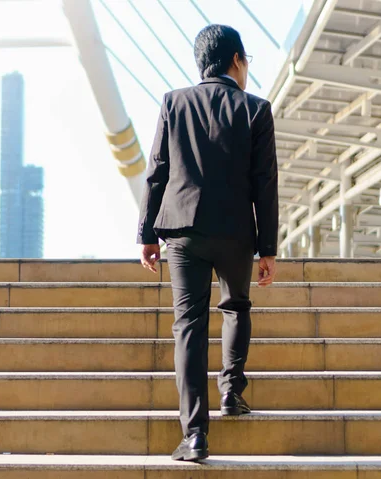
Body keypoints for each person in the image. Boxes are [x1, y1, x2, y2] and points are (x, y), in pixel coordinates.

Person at [136, 24, 279, 462]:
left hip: (181, 231)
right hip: (236, 231)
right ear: (236, 60)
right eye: (247, 60)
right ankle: (232, 393)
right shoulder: (256, 109)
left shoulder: (173, 102)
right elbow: (265, 184)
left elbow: (157, 170)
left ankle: (195, 435)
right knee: (236, 307)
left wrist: (146, 235)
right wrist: (267, 247)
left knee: (189, 327)